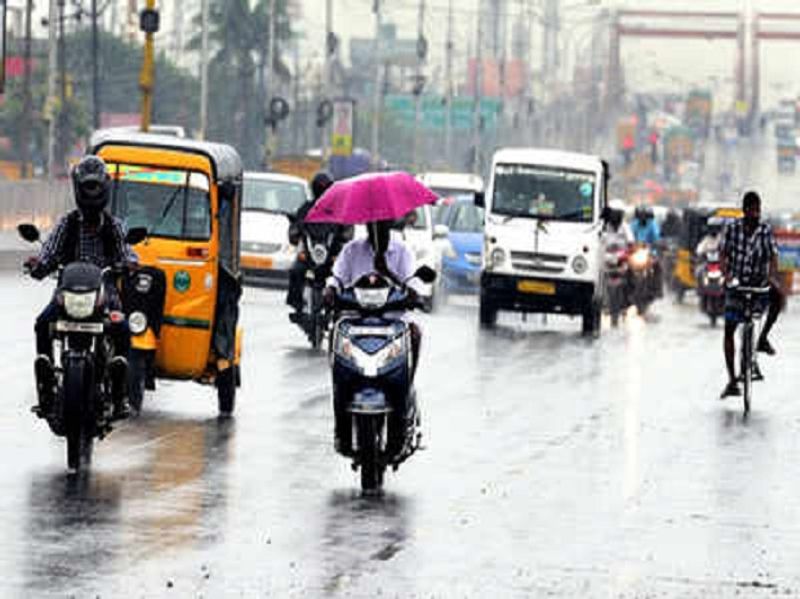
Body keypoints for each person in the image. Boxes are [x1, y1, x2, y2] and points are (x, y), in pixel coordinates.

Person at [25, 155, 138, 420]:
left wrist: (130, 264)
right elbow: (49, 252)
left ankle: (120, 394)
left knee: (122, 327)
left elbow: (127, 252)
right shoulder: (67, 224)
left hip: (105, 297)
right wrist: (38, 264)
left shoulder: (114, 226)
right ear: (77, 188)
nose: (91, 192)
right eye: (86, 187)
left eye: (95, 187)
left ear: (105, 188)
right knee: (42, 323)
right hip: (66, 297)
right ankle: (46, 385)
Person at [326, 218, 423, 454]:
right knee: (334, 335)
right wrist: (330, 290)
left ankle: (405, 386)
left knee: (415, 332)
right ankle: (342, 427)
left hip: (394, 319)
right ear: (366, 225)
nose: (376, 229)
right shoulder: (352, 250)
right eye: (372, 224)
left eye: (382, 224)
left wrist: (388, 272)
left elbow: (413, 283)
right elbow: (337, 277)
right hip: (355, 319)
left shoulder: (402, 251)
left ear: (390, 225)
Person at [719, 191, 783, 398]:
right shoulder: (731, 229)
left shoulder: (765, 231)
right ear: (745, 210)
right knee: (729, 328)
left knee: (779, 296)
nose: (756, 213)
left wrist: (772, 277)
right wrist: (727, 276)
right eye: (752, 209)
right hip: (736, 284)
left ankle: (763, 338)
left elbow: (773, 256)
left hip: (758, 284)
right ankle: (731, 380)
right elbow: (722, 254)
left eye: (758, 209)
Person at [286, 171, 352, 320]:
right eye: (319, 188)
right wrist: (295, 233)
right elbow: (296, 224)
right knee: (296, 271)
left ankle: (341, 306)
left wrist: (344, 236)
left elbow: (348, 228)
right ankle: (296, 303)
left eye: (325, 188)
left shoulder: (338, 209)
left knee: (344, 276)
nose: (322, 191)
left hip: (332, 253)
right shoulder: (306, 208)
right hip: (310, 252)